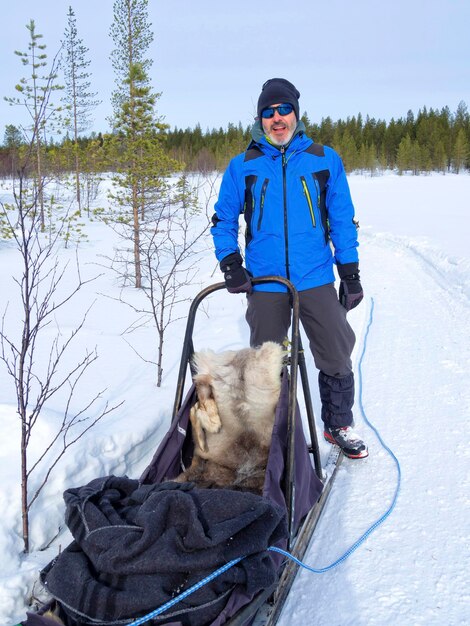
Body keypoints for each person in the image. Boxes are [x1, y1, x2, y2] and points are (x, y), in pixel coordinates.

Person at [211, 78, 368, 459]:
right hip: (265, 280)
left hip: (314, 275)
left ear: (296, 114)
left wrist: (349, 272)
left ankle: (337, 424)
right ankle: (274, 436)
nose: (277, 118)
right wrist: (230, 262)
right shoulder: (243, 166)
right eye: (269, 112)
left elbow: (342, 218)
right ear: (260, 119)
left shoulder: (323, 159)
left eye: (284, 110)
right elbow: (224, 218)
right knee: (266, 360)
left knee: (335, 348)